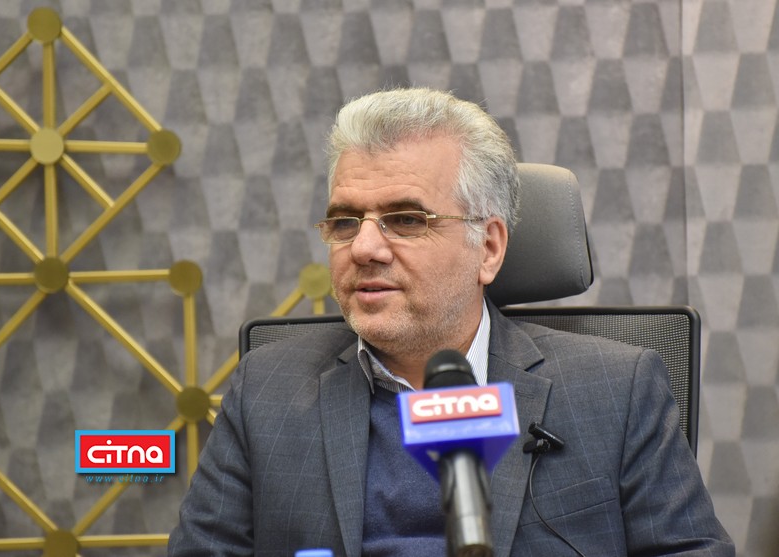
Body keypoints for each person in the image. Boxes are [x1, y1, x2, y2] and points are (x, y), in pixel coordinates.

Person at [168, 88, 734, 556]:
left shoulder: (614, 390)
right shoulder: (266, 388)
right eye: (344, 222)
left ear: (488, 248)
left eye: (405, 219)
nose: (364, 247)